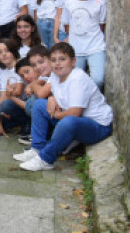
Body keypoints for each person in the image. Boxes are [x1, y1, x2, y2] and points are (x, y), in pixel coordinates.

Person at [15, 43, 113, 172]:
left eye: (62, 59)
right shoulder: (56, 76)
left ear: (73, 61)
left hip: (98, 126)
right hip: (78, 121)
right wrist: (52, 98)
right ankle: (37, 149)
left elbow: (75, 113)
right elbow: (49, 93)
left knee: (68, 121)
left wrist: (56, 115)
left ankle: (45, 159)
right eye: (54, 60)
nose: (57, 64)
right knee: (39, 105)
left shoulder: (77, 78)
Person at [56, 0, 107, 90]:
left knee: (98, 79)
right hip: (76, 47)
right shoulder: (70, 3)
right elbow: (67, 24)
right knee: (75, 80)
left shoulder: (100, 3)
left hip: (95, 46)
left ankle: (91, 100)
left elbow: (101, 25)